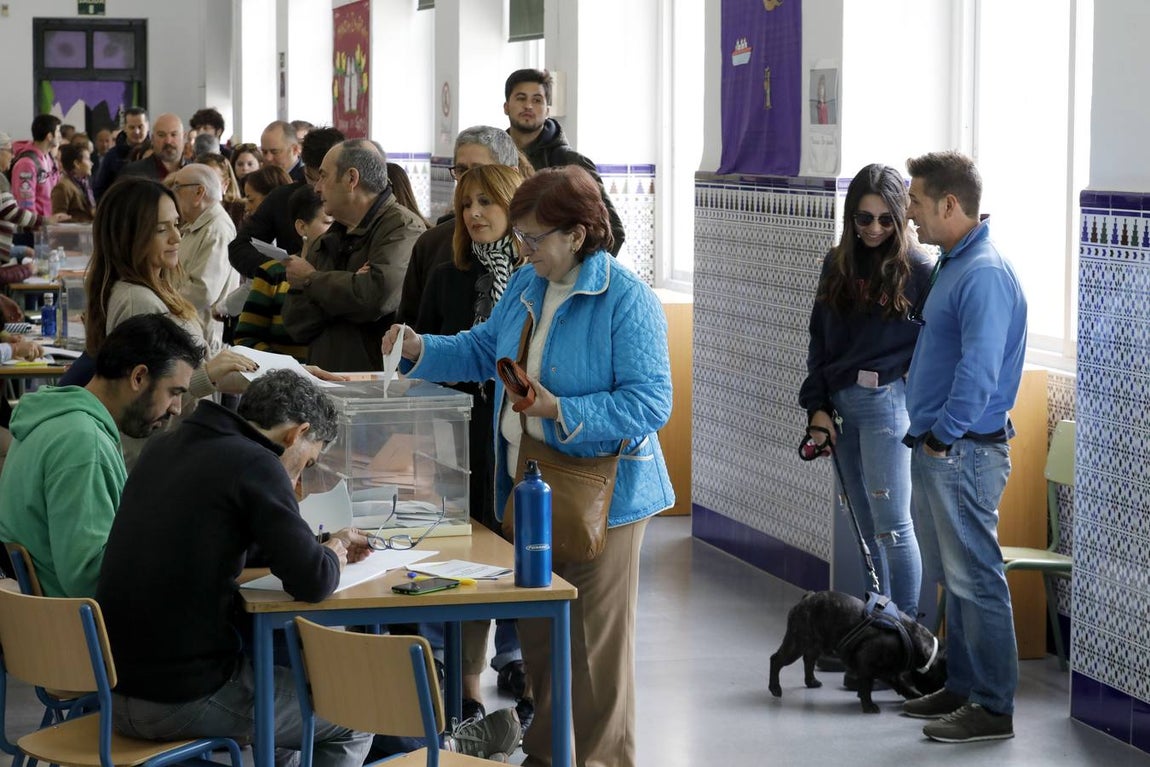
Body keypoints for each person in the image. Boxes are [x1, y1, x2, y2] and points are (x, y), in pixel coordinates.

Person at [383, 165, 674, 767]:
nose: (523, 248)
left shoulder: (626, 297)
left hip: (603, 496)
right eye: (519, 236)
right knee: (540, 641)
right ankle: (546, 756)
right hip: (529, 483)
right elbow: (482, 349)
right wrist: (419, 347)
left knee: (593, 654)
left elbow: (651, 403)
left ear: (578, 234)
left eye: (534, 238)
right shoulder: (527, 282)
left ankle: (602, 760)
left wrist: (559, 408)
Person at [96, 369, 375, 767]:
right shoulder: (257, 463)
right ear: (297, 433)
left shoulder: (168, 444)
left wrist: (319, 544)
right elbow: (312, 581)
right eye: (308, 462)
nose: (299, 480)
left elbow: (236, 538)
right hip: (179, 696)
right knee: (358, 714)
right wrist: (332, 554)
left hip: (115, 688)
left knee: (286, 712)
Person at [899, 151, 1027, 743]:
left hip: (964, 451)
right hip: (944, 448)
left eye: (916, 202)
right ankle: (963, 686)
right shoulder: (955, 262)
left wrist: (941, 437)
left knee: (977, 577)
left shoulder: (984, 274)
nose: (909, 213)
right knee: (957, 578)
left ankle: (993, 707)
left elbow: (978, 374)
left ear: (950, 204)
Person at [415, 163, 529, 725]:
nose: (475, 213)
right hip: (457, 434)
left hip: (514, 436)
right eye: (466, 204)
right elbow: (435, 349)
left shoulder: (532, 278)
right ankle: (464, 685)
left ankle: (520, 662)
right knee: (466, 555)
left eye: (487, 202)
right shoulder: (448, 274)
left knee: (519, 549)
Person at [800, 164, 932, 626]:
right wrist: (817, 408)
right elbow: (819, 340)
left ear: (900, 217)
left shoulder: (919, 269)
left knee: (892, 526)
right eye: (863, 218)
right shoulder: (837, 263)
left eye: (885, 219)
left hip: (886, 407)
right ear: (850, 218)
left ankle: (906, 633)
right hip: (840, 406)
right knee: (863, 525)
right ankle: (878, 627)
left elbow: (938, 343)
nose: (874, 229)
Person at [0, 314, 201, 597]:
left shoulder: (51, 418)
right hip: (79, 618)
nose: (177, 408)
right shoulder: (83, 442)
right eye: (174, 392)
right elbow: (90, 579)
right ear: (138, 377)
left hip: (50, 613)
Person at [82, 177, 256, 465]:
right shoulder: (138, 300)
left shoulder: (155, 289)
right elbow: (144, 401)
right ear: (130, 236)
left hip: (170, 451)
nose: (177, 237)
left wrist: (285, 373)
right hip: (151, 460)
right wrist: (207, 375)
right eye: (162, 229)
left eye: (177, 224)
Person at [282, 138, 426, 371]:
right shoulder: (327, 239)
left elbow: (375, 298)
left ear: (351, 179)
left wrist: (311, 279)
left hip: (374, 382)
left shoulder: (403, 228)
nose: (317, 187)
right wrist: (349, 288)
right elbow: (295, 322)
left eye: (324, 176)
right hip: (325, 377)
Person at [397, 125, 526, 324]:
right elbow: (413, 325)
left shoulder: (538, 260)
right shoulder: (433, 246)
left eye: (479, 169)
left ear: (510, 176)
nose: (467, 178)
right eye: (461, 170)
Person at [503, 69, 625, 255]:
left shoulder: (571, 163)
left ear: (547, 110)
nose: (528, 106)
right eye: (521, 98)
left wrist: (576, 270)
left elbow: (613, 232)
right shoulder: (492, 159)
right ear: (506, 107)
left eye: (537, 100)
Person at [229, 127, 344, 279]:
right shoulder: (283, 198)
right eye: (314, 179)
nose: (319, 188)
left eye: (327, 179)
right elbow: (240, 247)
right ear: (305, 167)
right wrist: (281, 269)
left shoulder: (359, 201)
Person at [234, 185, 331, 361]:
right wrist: (290, 366)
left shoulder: (346, 275)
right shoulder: (273, 274)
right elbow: (246, 339)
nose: (336, 230)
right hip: (283, 376)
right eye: (328, 223)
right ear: (302, 227)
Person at [167, 163, 240, 354]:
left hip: (202, 338)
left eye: (177, 187)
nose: (173, 193)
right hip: (187, 331)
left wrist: (161, 300)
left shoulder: (217, 229)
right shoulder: (198, 225)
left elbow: (203, 291)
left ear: (199, 192)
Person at [11, 114, 62, 218]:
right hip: (35, 225)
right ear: (49, 136)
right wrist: (38, 222)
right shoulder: (27, 163)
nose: (60, 136)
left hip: (48, 223)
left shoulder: (48, 158)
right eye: (58, 132)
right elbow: (25, 202)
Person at [93, 106, 149, 198]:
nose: (137, 131)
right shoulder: (113, 156)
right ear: (125, 128)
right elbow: (100, 189)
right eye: (132, 127)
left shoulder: (156, 152)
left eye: (140, 126)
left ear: (147, 126)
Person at [119, 112, 186, 183]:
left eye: (174, 135)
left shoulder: (194, 171)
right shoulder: (132, 173)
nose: (168, 141)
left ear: (184, 137)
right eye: (161, 135)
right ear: (152, 139)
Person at [50, 142, 96, 223]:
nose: (92, 163)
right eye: (88, 159)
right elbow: (59, 219)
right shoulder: (63, 187)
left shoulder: (85, 184)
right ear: (77, 163)